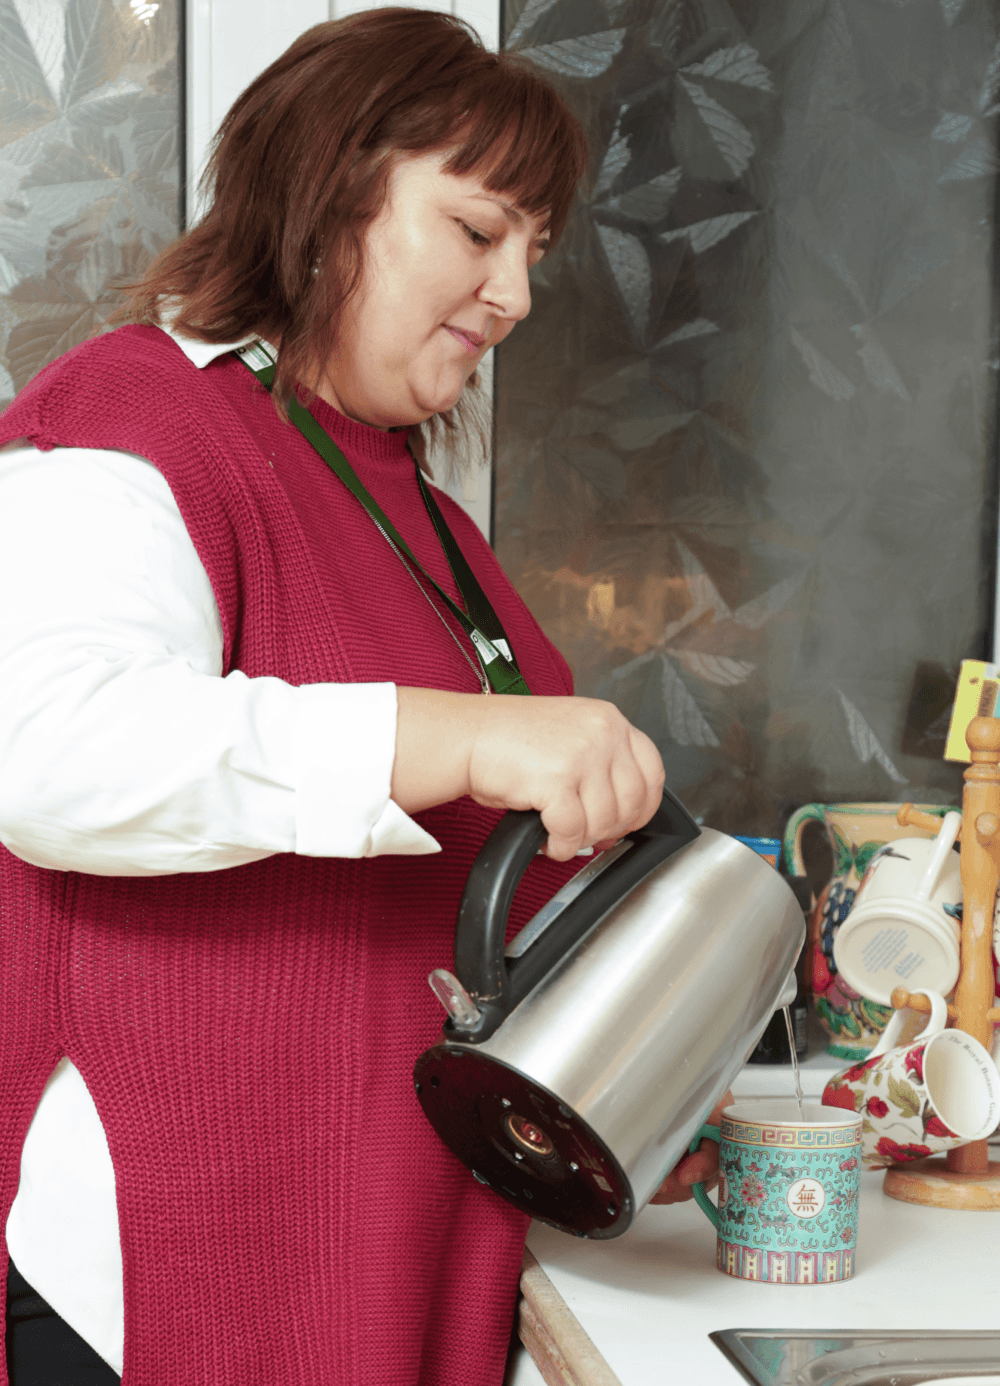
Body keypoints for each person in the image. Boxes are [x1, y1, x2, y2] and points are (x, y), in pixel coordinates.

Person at [0, 10, 721, 1385]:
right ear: (329, 194)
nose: (515, 293)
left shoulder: (412, 506)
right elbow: (49, 753)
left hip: (380, 1234)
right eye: (477, 230)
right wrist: (463, 733)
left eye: (535, 253)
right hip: (164, 1265)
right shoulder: (131, 419)